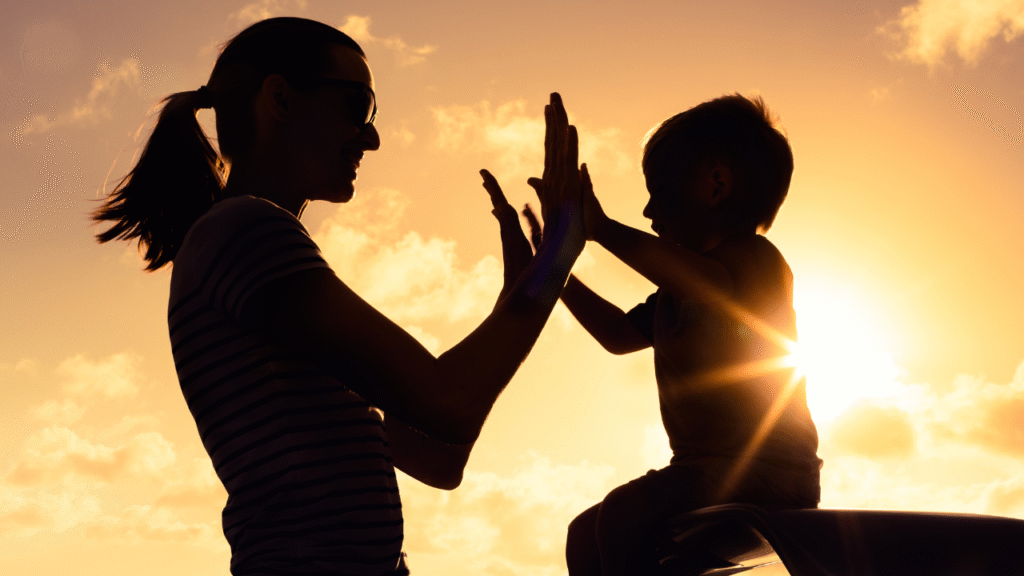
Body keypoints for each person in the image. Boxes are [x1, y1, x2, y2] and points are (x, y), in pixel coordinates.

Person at [91, 17, 586, 576]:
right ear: (279, 98)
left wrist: (522, 293)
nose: (372, 136)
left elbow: (440, 455)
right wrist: (553, 265)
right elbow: (448, 404)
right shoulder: (245, 233)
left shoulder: (256, 249)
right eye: (360, 106)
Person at [557, 94, 823, 576]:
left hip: (771, 474)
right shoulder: (675, 295)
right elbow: (617, 334)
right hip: (701, 475)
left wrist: (600, 228)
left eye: (658, 190)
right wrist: (554, 270)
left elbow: (711, 288)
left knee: (624, 514)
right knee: (585, 534)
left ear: (715, 185)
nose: (647, 210)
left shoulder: (755, 261)